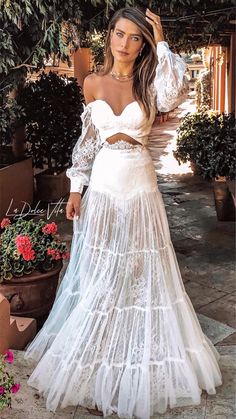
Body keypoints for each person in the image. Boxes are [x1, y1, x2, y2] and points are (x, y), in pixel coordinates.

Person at [24, 7, 222, 419]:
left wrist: (163, 37)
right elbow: (88, 141)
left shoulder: (151, 83)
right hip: (104, 186)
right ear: (108, 36)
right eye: (119, 33)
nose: (125, 43)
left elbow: (173, 91)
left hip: (140, 186)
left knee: (138, 271)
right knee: (100, 270)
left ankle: (135, 348)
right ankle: (96, 349)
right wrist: (76, 189)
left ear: (143, 44)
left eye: (135, 37)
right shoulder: (92, 83)